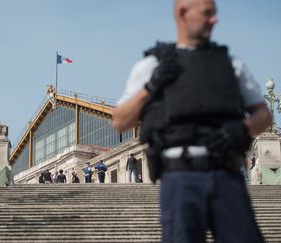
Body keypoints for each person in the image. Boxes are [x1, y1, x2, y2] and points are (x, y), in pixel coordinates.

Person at [112, 0, 272, 242]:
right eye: (208, 13)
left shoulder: (231, 65)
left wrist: (243, 128)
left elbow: (264, 116)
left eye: (215, 14)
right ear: (183, 13)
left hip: (226, 171)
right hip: (179, 174)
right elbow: (121, 120)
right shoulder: (152, 66)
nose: (215, 20)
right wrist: (151, 86)